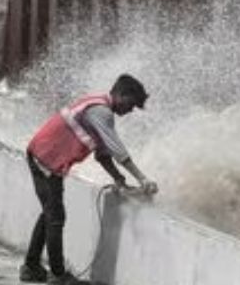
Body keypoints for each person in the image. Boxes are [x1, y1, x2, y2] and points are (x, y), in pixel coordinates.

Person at [21, 74, 157, 285]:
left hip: (42, 155)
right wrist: (143, 179)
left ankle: (31, 268)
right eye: (131, 104)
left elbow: (102, 155)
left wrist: (119, 179)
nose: (131, 110)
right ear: (121, 94)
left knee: (49, 213)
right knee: (55, 217)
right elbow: (117, 149)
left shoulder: (97, 105)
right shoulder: (101, 112)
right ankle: (58, 276)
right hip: (46, 159)